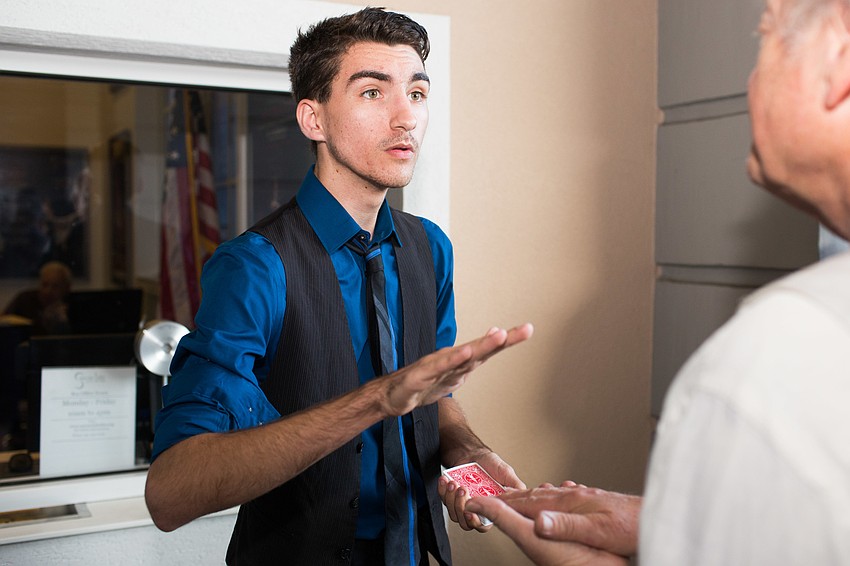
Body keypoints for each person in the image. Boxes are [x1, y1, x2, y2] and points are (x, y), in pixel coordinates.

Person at [144, 7, 533, 566]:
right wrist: (377, 399)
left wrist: (469, 452)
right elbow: (171, 492)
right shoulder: (255, 266)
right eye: (373, 93)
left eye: (417, 94)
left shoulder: (431, 250)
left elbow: (431, 394)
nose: (407, 119)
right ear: (313, 119)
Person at [467, 0, 850, 564]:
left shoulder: (779, 358)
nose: (749, 77)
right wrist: (668, 522)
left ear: (837, 64)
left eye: (764, 33)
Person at [1, 260, 72, 335]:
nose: (48, 291)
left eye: (55, 286)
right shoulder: (25, 300)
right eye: (45, 285)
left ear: (66, 288)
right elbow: (4, 321)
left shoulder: (74, 305)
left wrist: (62, 323)